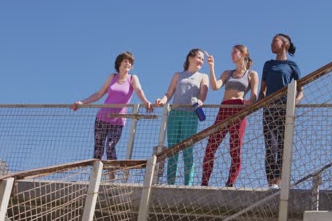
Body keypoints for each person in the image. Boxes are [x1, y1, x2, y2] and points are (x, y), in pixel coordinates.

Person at [71, 51, 152, 161]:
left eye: (130, 63)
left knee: (110, 147)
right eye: (125, 61)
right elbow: (99, 94)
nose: (128, 64)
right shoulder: (112, 77)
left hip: (118, 121)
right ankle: (95, 177)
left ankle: (112, 174)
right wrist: (82, 103)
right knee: (98, 151)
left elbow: (138, 90)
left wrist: (145, 101)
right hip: (102, 118)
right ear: (119, 63)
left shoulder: (132, 78)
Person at [201, 45, 258, 187]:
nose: (232, 54)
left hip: (239, 109)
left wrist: (246, 103)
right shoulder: (227, 73)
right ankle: (204, 181)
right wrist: (211, 66)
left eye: (235, 52)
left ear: (244, 54)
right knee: (211, 145)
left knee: (235, 148)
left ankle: (230, 182)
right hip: (224, 109)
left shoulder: (252, 74)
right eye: (231, 51)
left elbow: (254, 96)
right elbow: (215, 86)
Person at [155, 49, 209, 186]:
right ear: (190, 58)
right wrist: (162, 101)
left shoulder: (203, 76)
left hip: (190, 114)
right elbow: (169, 93)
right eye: (199, 58)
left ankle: (188, 184)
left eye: (203, 59)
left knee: (187, 149)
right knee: (172, 149)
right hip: (175, 114)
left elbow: (203, 95)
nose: (201, 61)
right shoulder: (178, 75)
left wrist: (201, 101)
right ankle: (170, 183)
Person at [259, 33, 304, 189]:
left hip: (285, 110)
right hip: (269, 110)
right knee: (271, 146)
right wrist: (260, 101)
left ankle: (279, 182)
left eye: (275, 41)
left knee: (282, 147)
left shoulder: (292, 66)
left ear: (285, 44)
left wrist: (294, 102)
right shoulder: (268, 65)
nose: (272, 43)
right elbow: (262, 91)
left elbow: (301, 91)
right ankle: (271, 182)